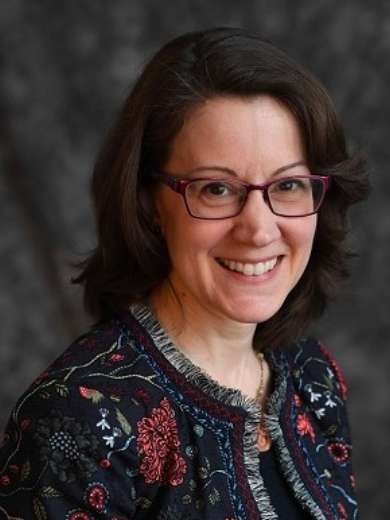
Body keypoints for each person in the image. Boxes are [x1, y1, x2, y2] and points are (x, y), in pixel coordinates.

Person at [0, 27, 370, 520]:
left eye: (288, 185)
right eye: (216, 189)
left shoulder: (311, 375)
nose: (259, 229)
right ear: (149, 201)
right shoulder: (77, 420)